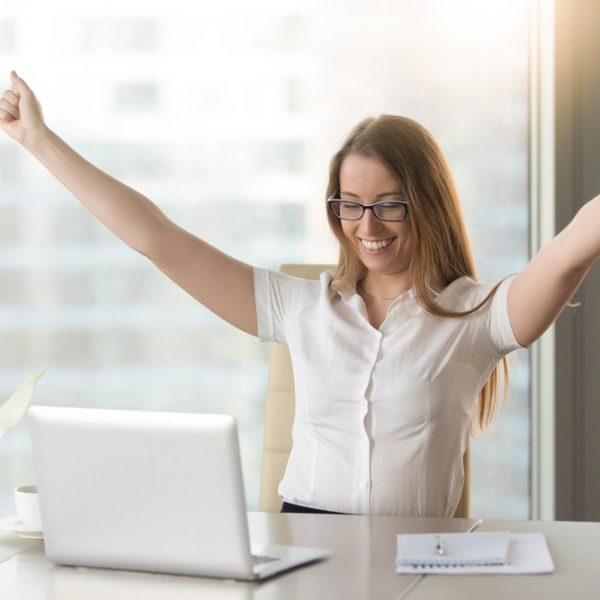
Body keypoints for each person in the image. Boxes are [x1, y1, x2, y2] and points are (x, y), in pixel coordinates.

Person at [1, 71, 598, 516]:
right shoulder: (300, 307)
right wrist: (38, 139)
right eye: (349, 206)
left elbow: (574, 243)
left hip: (416, 562)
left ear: (428, 203)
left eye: (389, 205)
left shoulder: (477, 315)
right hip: (302, 555)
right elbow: (157, 238)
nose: (367, 227)